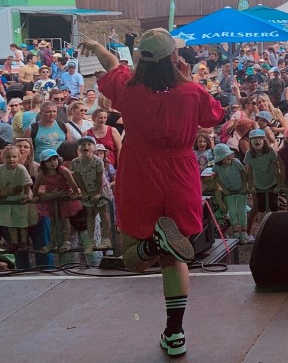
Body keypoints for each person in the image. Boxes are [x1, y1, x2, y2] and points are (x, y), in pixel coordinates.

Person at [80, 28, 224, 357]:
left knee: (134, 258)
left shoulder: (127, 87)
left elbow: (113, 64)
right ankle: (175, 334)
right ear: (173, 57)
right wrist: (190, 81)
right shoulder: (191, 92)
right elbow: (214, 115)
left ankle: (149, 245)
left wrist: (97, 48)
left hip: (139, 170)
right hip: (181, 172)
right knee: (175, 257)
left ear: (140, 58)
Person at [70, 136, 113, 251]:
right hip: (87, 190)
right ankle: (91, 241)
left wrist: (97, 193)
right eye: (83, 144)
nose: (86, 146)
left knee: (103, 212)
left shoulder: (98, 161)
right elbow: (77, 178)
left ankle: (105, 239)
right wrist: (84, 192)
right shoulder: (76, 162)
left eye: (89, 144)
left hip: (101, 189)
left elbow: (100, 178)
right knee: (90, 213)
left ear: (94, 147)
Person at [211, 143, 249, 244]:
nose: (229, 157)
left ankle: (244, 232)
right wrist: (224, 189)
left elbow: (243, 173)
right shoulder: (216, 166)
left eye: (229, 155)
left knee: (242, 211)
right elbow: (216, 176)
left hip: (241, 190)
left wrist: (245, 186)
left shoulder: (235, 162)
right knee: (232, 212)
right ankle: (235, 232)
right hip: (229, 192)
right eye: (225, 156)